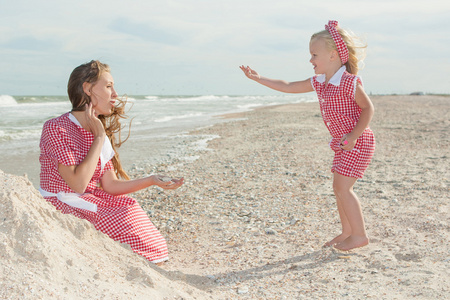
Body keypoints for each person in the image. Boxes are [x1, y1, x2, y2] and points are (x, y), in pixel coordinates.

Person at [240, 20, 375, 251]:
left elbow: (368, 108)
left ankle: (359, 235)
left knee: (344, 188)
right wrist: (258, 78)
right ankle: (348, 231)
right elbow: (288, 85)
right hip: (343, 143)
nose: (310, 60)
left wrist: (353, 135)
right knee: (338, 187)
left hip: (358, 141)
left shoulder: (347, 81)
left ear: (333, 55)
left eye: (314, 55)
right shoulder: (320, 82)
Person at [39, 60, 184, 264]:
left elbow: (110, 185)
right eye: (108, 87)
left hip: (87, 199)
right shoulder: (57, 128)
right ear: (88, 89)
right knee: (127, 223)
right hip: (60, 201)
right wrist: (98, 137)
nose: (115, 94)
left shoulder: (99, 132)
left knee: (130, 208)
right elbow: (78, 184)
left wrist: (152, 180)